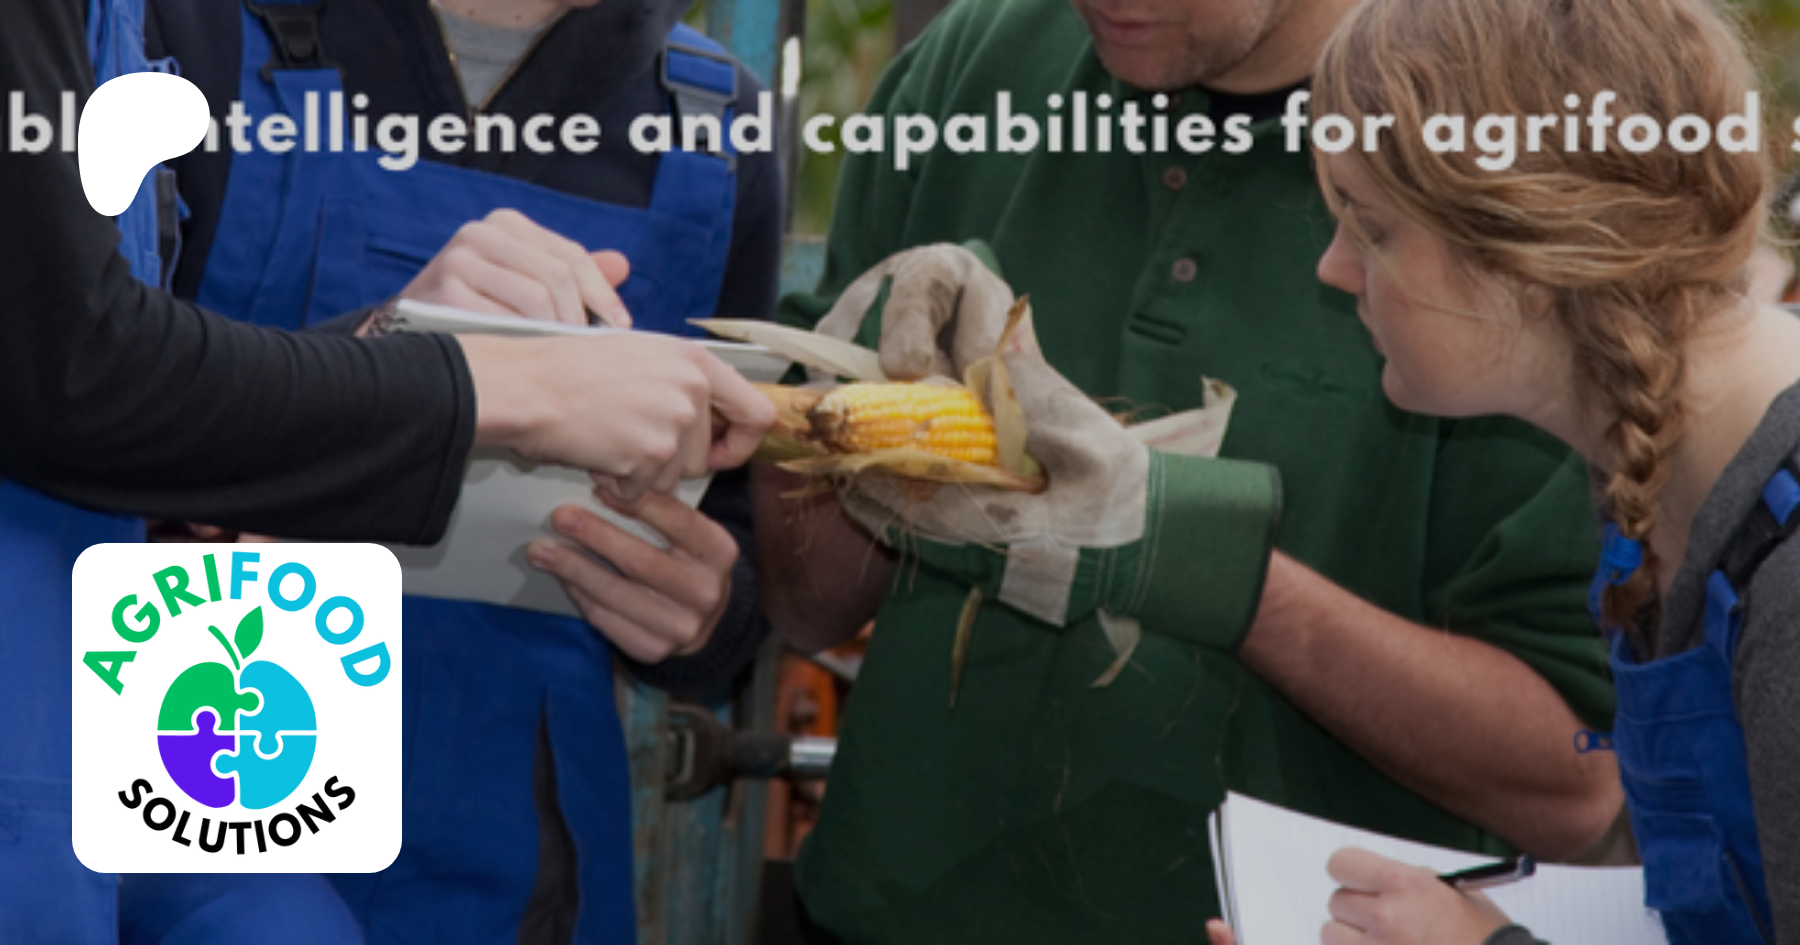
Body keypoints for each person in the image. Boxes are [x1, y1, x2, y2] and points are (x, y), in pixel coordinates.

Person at [754, 0, 1628, 939]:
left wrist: (1204, 564)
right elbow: (806, 604)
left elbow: (1579, 785)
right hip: (883, 914)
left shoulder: (1515, 148)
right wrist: (844, 431)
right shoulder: (974, 63)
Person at [0, 0, 772, 941]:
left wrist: (708, 611)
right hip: (213, 799)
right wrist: (419, 361)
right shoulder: (177, 35)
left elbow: (739, 527)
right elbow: (81, 385)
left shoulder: (717, 127)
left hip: (521, 854)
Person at [1244, 0, 1796, 943]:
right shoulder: (1653, 470)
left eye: (1371, 227)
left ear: (1530, 251)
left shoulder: (1785, 579)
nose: (1334, 268)